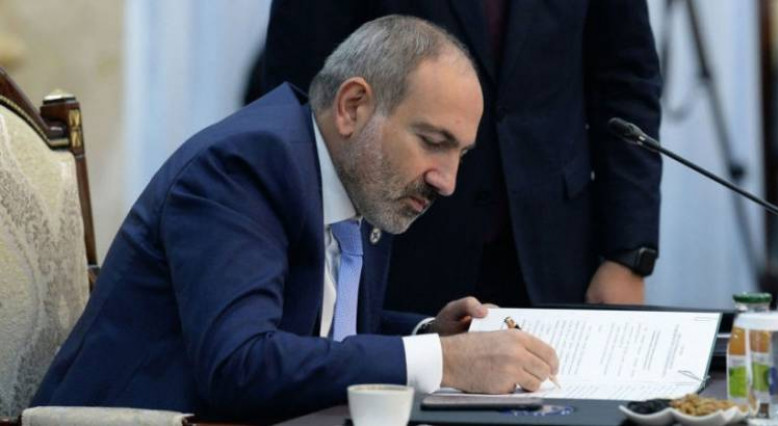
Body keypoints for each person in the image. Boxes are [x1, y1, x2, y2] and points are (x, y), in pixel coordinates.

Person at [32, 16, 559, 424]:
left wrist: (430, 333)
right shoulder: (242, 169)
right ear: (353, 106)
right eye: (433, 141)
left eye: (460, 154)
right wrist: (444, 361)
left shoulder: (360, 173)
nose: (447, 181)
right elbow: (240, 364)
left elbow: (326, 335)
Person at [247, 0, 663, 314]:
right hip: (388, 248)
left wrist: (628, 255)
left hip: (551, 253)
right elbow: (304, 89)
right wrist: (304, 249)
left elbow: (626, 83)